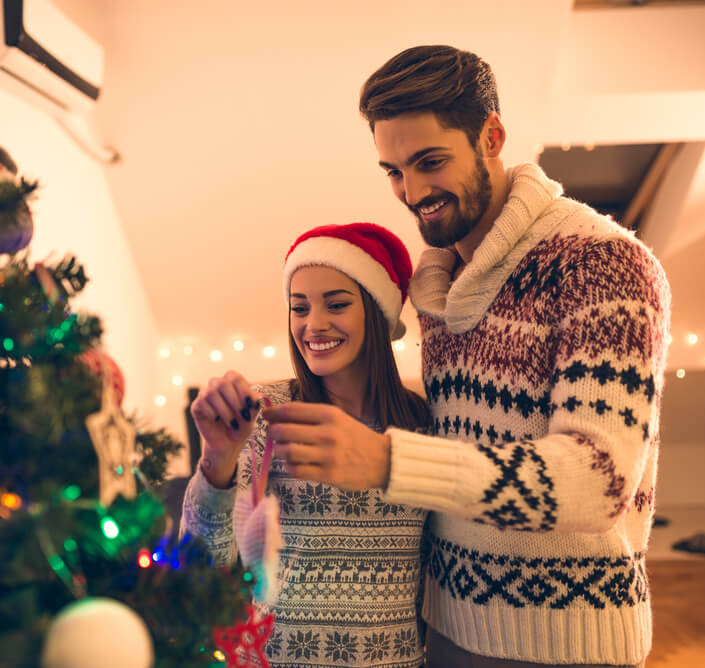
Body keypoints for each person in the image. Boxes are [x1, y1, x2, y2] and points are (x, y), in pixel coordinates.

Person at [263, 46, 671, 668]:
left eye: (430, 162)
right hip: (445, 631)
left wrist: (390, 460)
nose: (413, 191)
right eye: (394, 171)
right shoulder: (438, 288)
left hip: (567, 640)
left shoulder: (602, 262)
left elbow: (598, 480)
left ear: (493, 136)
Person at [180, 222, 432, 668]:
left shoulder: (423, 425)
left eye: (336, 304)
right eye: (299, 308)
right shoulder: (265, 415)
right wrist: (217, 459)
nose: (314, 324)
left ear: (376, 312)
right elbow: (201, 570)